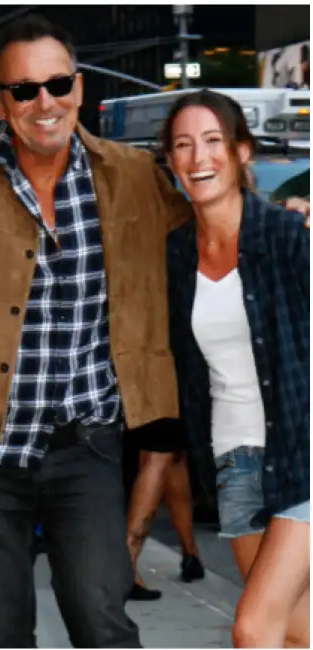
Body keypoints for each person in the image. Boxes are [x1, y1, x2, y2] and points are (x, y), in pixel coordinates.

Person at [0, 15, 202, 647]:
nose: (45, 102)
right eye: (25, 90)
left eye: (58, 84)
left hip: (86, 445)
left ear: (80, 89)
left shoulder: (133, 175)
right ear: (1, 102)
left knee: (102, 620)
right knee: (0, 631)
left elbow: (209, 223)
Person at [161, 89, 309, 648]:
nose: (199, 157)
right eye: (182, 145)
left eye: (213, 141)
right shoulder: (176, 252)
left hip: (302, 449)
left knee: (252, 629)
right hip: (233, 461)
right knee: (296, 631)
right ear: (171, 161)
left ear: (242, 151)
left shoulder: (289, 235)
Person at [123, 416, 204, 600]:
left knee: (172, 452)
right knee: (160, 452)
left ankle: (190, 553)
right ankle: (127, 561)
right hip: (161, 392)